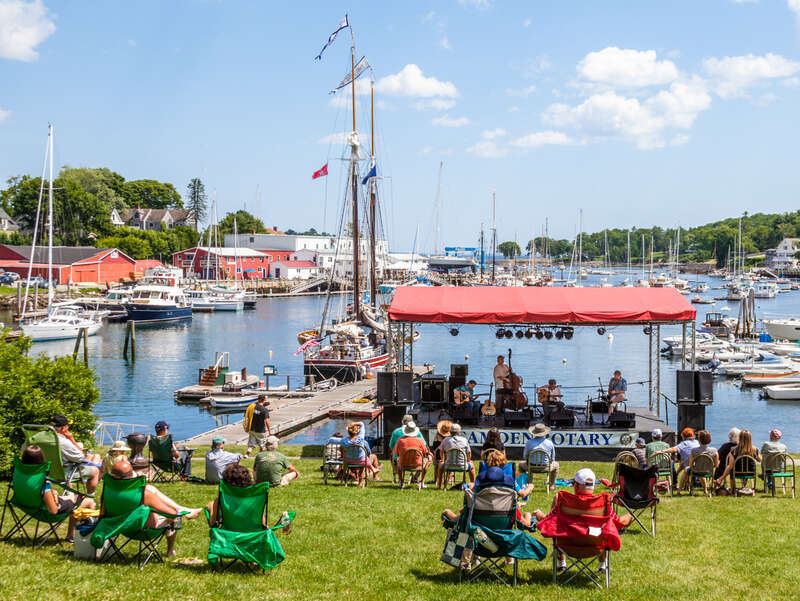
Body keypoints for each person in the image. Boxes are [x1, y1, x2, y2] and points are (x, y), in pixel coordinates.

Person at [533, 468, 633, 573]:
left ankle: (561, 563)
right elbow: (618, 522)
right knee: (603, 529)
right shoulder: (603, 502)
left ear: (576, 485)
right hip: (595, 547)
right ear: (593, 486)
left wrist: (539, 515)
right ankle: (602, 565)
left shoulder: (561, 499)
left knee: (558, 526)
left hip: (567, 546)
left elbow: (548, 521)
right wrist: (628, 517)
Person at [106, 459, 202, 557]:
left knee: (150, 488)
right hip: (142, 530)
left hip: (118, 527)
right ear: (131, 476)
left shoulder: (108, 490)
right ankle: (170, 551)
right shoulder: (142, 493)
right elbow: (172, 513)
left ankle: (181, 508)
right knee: (173, 517)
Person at [21, 445, 96, 542]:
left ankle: (72, 535)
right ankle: (77, 537)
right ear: (41, 459)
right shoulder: (42, 481)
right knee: (88, 501)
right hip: (45, 510)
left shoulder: (20, 474)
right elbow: (53, 510)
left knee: (73, 496)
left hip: (27, 505)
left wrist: (54, 493)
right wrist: (55, 496)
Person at [51, 414, 102, 494]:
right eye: (67, 426)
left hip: (45, 472)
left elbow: (24, 448)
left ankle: (69, 493)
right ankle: (89, 498)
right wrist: (72, 439)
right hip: (63, 474)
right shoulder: (64, 442)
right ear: (63, 428)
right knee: (95, 471)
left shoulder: (38, 437)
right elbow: (81, 458)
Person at [714, 429, 760, 493]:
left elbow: (730, 466)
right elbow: (760, 460)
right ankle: (745, 487)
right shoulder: (755, 449)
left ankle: (732, 490)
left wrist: (721, 478)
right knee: (746, 467)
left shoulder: (734, 450)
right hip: (751, 472)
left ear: (740, 438)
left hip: (737, 472)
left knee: (731, 468)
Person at [393, 421, 433, 487]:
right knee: (428, 461)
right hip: (418, 465)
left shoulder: (400, 440)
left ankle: (401, 481)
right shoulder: (420, 440)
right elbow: (425, 452)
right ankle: (421, 481)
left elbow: (396, 453)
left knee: (398, 461)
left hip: (403, 464)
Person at [523, 423, 559, 492]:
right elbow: (552, 458)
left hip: (531, 467)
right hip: (546, 467)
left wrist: (528, 461)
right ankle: (551, 485)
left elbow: (525, 456)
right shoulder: (549, 443)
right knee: (556, 465)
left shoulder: (529, 443)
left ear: (534, 432)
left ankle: (527, 484)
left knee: (521, 465)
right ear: (544, 433)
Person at [438, 423, 475, 487]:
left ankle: (440, 485)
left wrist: (443, 460)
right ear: (459, 431)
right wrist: (468, 460)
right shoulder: (464, 440)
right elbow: (469, 453)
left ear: (450, 431)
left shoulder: (445, 440)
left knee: (440, 465)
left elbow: (441, 451)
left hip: (448, 465)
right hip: (463, 466)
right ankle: (473, 484)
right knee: (472, 465)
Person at [664, 427, 699, 492]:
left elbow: (673, 449)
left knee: (684, 464)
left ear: (684, 436)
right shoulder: (697, 442)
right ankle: (677, 478)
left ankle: (676, 483)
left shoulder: (684, 444)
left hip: (690, 466)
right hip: (699, 465)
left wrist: (662, 451)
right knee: (682, 464)